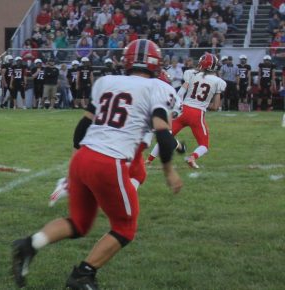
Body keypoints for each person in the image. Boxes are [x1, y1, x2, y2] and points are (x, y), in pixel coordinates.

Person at [11, 39, 183, 290]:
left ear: (126, 60)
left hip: (83, 157)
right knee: (125, 227)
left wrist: (74, 163)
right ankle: (83, 275)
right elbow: (165, 138)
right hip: (109, 160)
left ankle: (29, 245)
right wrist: (169, 172)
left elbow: (82, 126)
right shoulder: (158, 87)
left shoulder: (107, 81)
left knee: (80, 223)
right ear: (156, 64)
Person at [147, 53, 225, 169]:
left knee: (167, 135)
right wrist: (203, 105)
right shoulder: (218, 81)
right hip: (197, 114)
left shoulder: (191, 74)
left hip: (183, 110)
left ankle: (148, 160)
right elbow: (215, 107)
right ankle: (192, 157)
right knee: (204, 145)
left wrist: (177, 106)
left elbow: (180, 93)